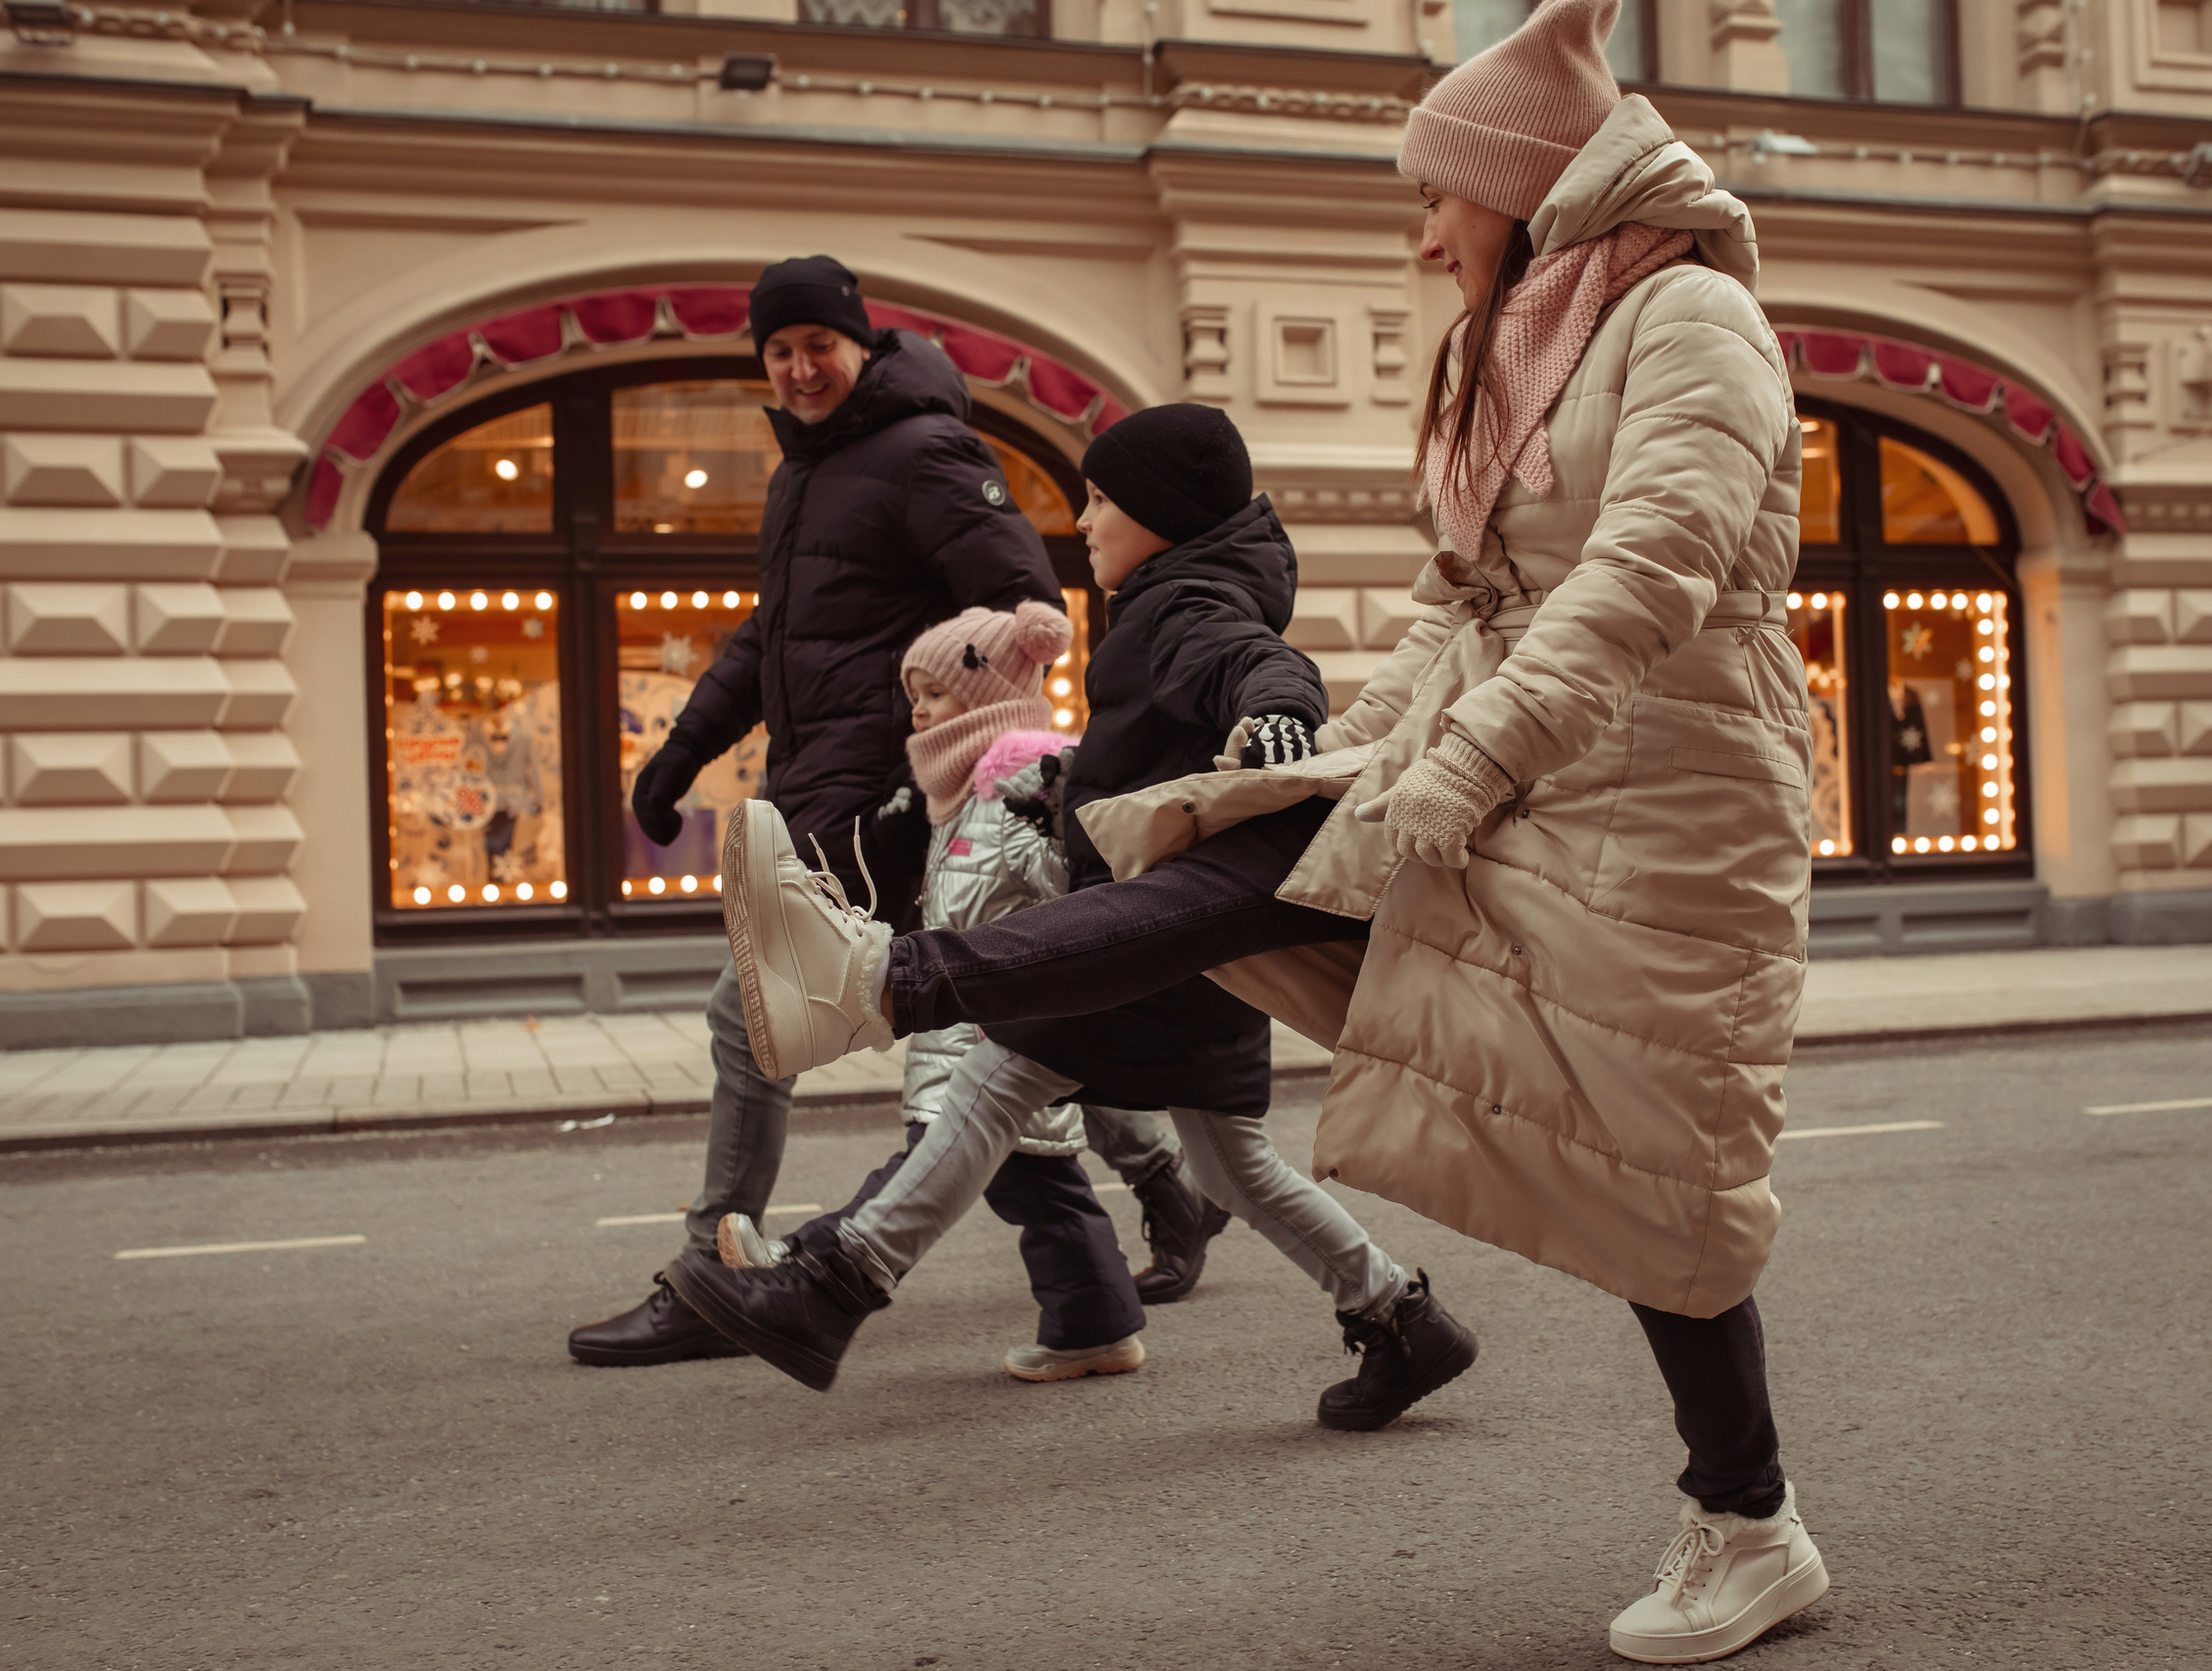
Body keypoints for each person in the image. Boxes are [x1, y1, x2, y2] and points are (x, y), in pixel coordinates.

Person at [664, 3, 1835, 1657]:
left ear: (1524, 180)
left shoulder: (1690, 319)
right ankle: (880, 984)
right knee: (1241, 858)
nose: (1424, 229)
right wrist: (1352, 759)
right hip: (1527, 773)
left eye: (1441, 192)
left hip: (1671, 799)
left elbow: (1651, 576)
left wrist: (1466, 758)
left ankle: (1749, 1520)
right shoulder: (1523, 337)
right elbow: (1463, 594)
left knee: (1661, 1171)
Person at [667, 401, 1481, 1429]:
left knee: (992, 1083)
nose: (1083, 521)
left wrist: (1278, 713)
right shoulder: (1172, 594)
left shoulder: (1185, 602)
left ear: (1164, 514)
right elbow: (1168, 734)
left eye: (1101, 500)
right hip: (1191, 948)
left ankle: (832, 1286)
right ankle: (1399, 1317)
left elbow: (1255, 664)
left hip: (1152, 940)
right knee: (1233, 1160)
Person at [567, 255, 1219, 1364]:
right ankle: (1164, 1182)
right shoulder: (803, 476)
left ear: (859, 345)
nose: (799, 368)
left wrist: (931, 736)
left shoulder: (925, 453)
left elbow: (1022, 604)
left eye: (817, 345)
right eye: (777, 353)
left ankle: (716, 1264)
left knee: (751, 1011)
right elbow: (771, 639)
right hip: (831, 791)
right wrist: (680, 752)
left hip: (893, 800)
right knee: (1021, 1006)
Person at [715, 599, 1150, 1380]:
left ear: (983, 694)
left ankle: (808, 1261)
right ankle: (1098, 1322)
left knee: (936, 1160)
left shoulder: (1029, 772)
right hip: (976, 1011)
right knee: (1038, 1187)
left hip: (1006, 1017)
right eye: (912, 688)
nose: (918, 705)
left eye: (936, 691)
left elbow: (1073, 887)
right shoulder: (960, 785)